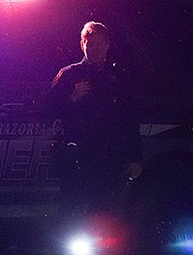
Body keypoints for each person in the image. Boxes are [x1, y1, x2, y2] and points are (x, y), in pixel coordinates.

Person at [46, 22, 143, 225]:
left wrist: (135, 157)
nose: (94, 48)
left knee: (107, 213)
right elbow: (47, 112)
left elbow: (131, 120)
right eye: (89, 44)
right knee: (74, 211)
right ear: (82, 45)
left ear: (107, 45)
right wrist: (71, 98)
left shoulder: (119, 77)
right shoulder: (68, 75)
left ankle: (105, 254)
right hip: (77, 160)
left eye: (99, 44)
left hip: (110, 159)